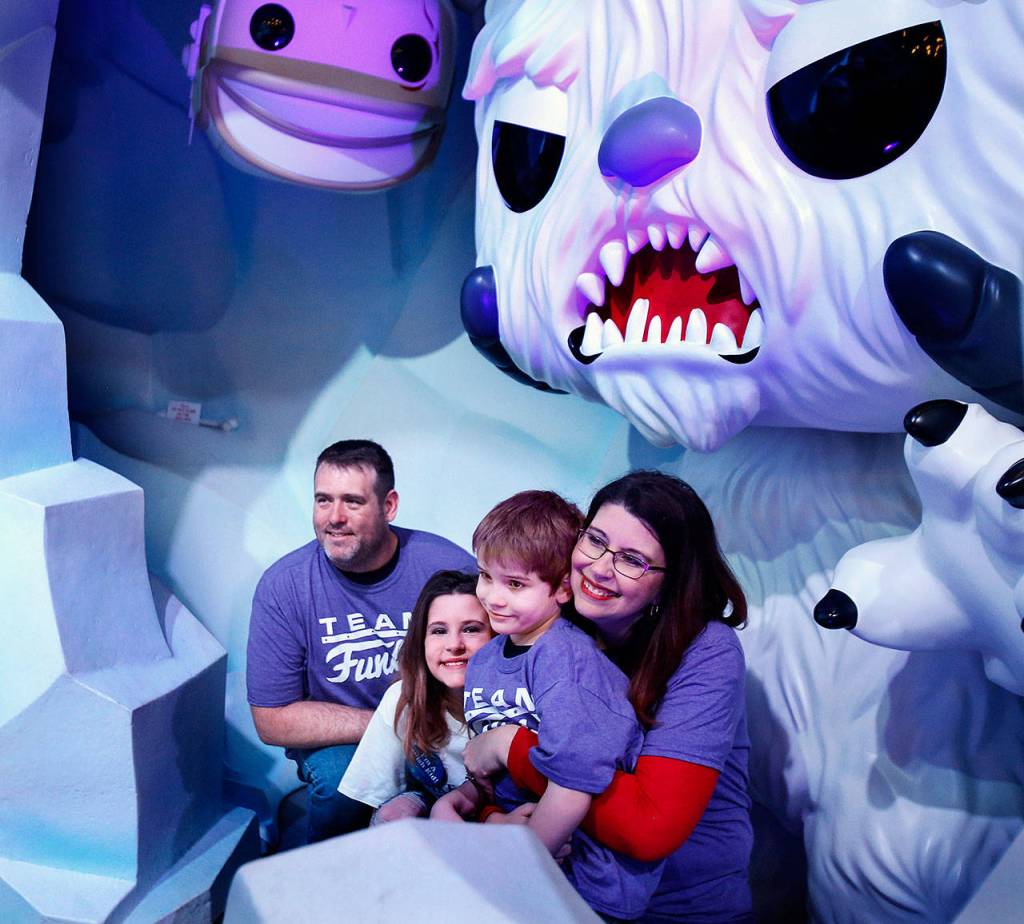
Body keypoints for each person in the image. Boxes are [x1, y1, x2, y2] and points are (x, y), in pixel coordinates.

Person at [464, 471, 753, 923]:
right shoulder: (554, 628)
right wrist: (486, 817)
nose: (599, 568)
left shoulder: (706, 650)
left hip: (678, 907)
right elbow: (485, 770)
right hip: (562, 886)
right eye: (594, 540)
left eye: (633, 560)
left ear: (670, 580)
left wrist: (508, 745)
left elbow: (649, 827)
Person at [431, 490, 662, 922]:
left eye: (515, 584)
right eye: (485, 575)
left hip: (584, 879)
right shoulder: (485, 661)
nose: (493, 597)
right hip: (518, 851)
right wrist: (454, 805)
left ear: (560, 588)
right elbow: (488, 776)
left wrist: (519, 869)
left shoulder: (567, 660)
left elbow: (573, 788)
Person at [246, 439, 475, 842]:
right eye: (323, 501)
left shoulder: (444, 565)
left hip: (442, 726)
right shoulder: (284, 587)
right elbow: (272, 719)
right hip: (348, 738)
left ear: (388, 506)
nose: (334, 517)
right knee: (339, 786)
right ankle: (329, 880)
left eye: (352, 501)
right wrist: (396, 725)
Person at [338, 570, 494, 822]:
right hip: (439, 810)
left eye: (471, 629)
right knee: (389, 815)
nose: (454, 644)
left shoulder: (517, 700)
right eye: (439, 631)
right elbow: (374, 798)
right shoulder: (404, 698)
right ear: (421, 641)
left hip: (505, 813)